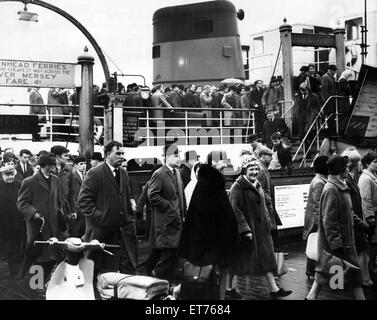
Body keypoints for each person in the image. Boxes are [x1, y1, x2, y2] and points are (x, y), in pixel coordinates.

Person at [229, 155, 292, 299]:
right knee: (236, 262)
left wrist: (269, 224)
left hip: (261, 231)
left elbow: (263, 207)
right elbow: (235, 209)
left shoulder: (257, 184)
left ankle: (274, 289)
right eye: (251, 169)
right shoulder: (237, 187)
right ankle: (228, 288)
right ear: (244, 170)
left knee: (265, 259)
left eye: (256, 169)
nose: (254, 172)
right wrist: (245, 229)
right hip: (247, 233)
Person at [178, 151, 239, 300]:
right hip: (212, 246)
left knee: (215, 280)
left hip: (213, 245)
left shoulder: (210, 183)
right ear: (214, 163)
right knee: (212, 281)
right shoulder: (208, 184)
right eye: (222, 161)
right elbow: (204, 218)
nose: (225, 164)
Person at [306, 155, 365, 300]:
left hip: (343, 243)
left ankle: (310, 297)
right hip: (340, 245)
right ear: (341, 170)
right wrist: (336, 245)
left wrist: (363, 225)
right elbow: (329, 221)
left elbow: (349, 213)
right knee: (342, 277)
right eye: (345, 167)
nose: (347, 169)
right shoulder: (332, 189)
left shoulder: (340, 187)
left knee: (329, 273)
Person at [78, 141, 137, 276]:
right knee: (97, 268)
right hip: (101, 231)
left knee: (125, 266)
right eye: (118, 153)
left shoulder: (123, 173)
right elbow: (83, 201)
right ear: (108, 154)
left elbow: (126, 197)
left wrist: (129, 218)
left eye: (122, 153)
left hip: (122, 230)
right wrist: (100, 217)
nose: (121, 156)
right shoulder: (95, 173)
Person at [17, 153, 66, 281]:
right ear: (46, 166)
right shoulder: (29, 181)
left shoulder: (55, 179)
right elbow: (22, 203)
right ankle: (36, 285)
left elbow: (58, 201)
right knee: (38, 256)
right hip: (38, 226)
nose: (56, 167)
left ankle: (45, 283)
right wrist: (34, 213)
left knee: (52, 256)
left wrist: (62, 215)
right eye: (53, 165)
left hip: (53, 225)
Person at [146, 144, 186, 283]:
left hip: (176, 220)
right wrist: (169, 207)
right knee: (169, 253)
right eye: (176, 156)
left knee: (171, 253)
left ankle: (161, 279)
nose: (179, 158)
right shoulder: (159, 173)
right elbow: (152, 195)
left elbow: (180, 196)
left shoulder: (177, 173)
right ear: (166, 157)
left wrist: (182, 212)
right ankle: (158, 278)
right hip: (166, 222)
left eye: (178, 155)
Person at [342, 148, 373, 288]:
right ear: (356, 163)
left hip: (356, 219)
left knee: (361, 249)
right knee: (361, 248)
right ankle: (363, 279)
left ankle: (360, 278)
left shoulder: (352, 178)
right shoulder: (347, 180)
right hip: (354, 221)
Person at [302, 156, 329, 279]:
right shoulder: (319, 182)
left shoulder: (318, 179)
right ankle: (312, 270)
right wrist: (320, 222)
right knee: (315, 243)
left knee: (313, 243)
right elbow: (317, 204)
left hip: (313, 218)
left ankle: (311, 270)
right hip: (315, 220)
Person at [0, 165, 25, 278]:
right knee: (6, 247)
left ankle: (15, 270)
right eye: (7, 175)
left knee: (16, 246)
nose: (10, 177)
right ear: (2, 175)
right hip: (3, 222)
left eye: (11, 174)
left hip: (17, 221)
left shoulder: (20, 185)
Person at [358, 151, 377, 284]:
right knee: (373, 242)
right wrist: (370, 217)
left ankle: (372, 266)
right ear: (367, 163)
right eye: (375, 162)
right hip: (372, 216)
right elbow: (366, 199)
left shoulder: (372, 176)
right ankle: (370, 267)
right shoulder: (366, 179)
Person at [67, 156, 86, 238]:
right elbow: (71, 194)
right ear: (75, 165)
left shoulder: (87, 175)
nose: (84, 166)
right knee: (76, 232)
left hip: (86, 208)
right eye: (81, 164)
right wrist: (74, 209)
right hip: (77, 208)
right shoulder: (72, 176)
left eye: (85, 163)